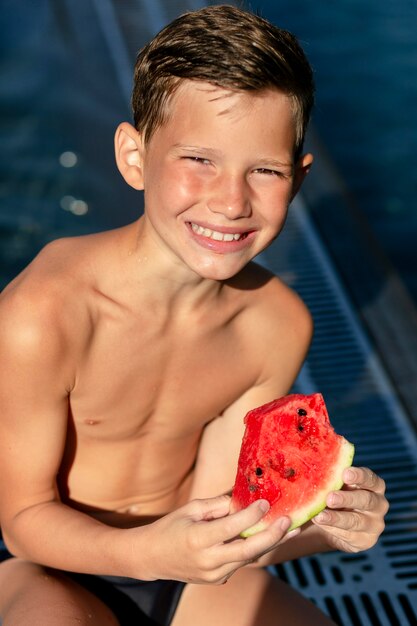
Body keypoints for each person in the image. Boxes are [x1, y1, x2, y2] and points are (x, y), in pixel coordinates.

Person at [0, 5, 388, 626]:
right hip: (48, 563)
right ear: (134, 157)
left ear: (299, 178)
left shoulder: (275, 326)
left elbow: (226, 522)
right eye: (199, 160)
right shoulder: (43, 314)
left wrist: (329, 530)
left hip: (185, 564)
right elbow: (22, 523)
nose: (231, 201)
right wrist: (145, 551)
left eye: (264, 170)